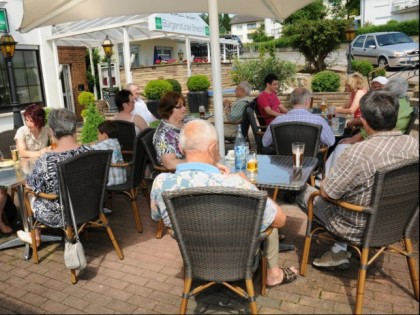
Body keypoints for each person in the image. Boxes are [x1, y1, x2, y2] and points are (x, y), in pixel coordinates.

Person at [151, 119, 298, 286]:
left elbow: (157, 217)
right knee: (268, 218)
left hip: (195, 259)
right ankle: (274, 274)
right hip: (238, 259)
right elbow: (281, 220)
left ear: (180, 148)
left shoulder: (161, 183)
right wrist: (249, 185)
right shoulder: (237, 184)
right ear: (213, 147)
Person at [297, 90, 419, 270]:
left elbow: (327, 192)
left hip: (357, 227)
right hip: (400, 222)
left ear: (364, 121)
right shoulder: (413, 144)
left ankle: (338, 248)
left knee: (303, 192)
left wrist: (325, 180)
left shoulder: (358, 152)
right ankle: (338, 246)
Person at [17, 109, 92, 246]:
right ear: (75, 127)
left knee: (29, 192)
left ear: (51, 131)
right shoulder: (89, 152)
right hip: (90, 206)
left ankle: (34, 235)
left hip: (60, 214)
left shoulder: (46, 160)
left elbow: (31, 186)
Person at [325, 77, 414, 175]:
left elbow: (377, 127)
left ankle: (329, 176)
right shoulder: (405, 104)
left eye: (381, 88)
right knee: (342, 141)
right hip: (391, 139)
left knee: (341, 145)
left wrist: (354, 138)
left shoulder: (390, 106)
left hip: (379, 141)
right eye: (374, 86)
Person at [0, 104, 51, 234]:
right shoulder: (22, 131)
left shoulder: (46, 129)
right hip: (23, 170)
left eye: (31, 120)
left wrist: (49, 149)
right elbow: (22, 152)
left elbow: (55, 146)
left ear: (39, 120)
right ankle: (30, 226)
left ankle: (37, 223)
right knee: (3, 189)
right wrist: (41, 152)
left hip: (41, 168)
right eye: (26, 120)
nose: (28, 123)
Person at [262, 87, 335, 149]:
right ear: (307, 101)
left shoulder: (277, 120)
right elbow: (331, 141)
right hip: (312, 162)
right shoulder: (318, 120)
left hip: (282, 163)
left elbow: (265, 143)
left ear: (291, 101)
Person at [153, 91, 186, 171]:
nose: (184, 109)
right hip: (179, 173)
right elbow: (170, 164)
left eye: (184, 105)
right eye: (179, 107)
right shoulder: (163, 135)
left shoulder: (186, 121)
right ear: (168, 109)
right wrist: (198, 161)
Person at [91, 120, 126, 186]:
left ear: (104, 135)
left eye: (98, 134)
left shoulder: (105, 144)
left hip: (112, 181)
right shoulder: (115, 141)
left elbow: (87, 150)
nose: (97, 136)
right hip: (122, 178)